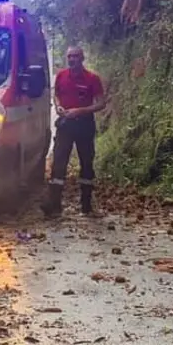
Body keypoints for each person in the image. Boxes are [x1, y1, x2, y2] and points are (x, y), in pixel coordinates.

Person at [46, 45, 106, 217]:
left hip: (84, 124)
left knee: (86, 163)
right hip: (65, 124)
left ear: (82, 58)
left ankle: (86, 205)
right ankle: (54, 206)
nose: (72, 59)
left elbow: (101, 103)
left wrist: (80, 111)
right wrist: (58, 106)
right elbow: (56, 94)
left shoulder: (92, 79)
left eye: (75, 56)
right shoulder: (61, 75)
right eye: (69, 56)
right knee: (58, 163)